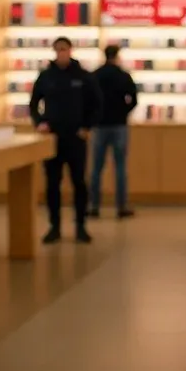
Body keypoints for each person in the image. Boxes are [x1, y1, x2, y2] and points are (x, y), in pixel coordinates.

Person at [29, 37, 100, 244]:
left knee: (79, 182)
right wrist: (40, 122)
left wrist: (87, 127)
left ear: (70, 50)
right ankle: (54, 226)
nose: (61, 53)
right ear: (54, 51)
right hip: (52, 138)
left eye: (64, 49)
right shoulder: (46, 77)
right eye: (58, 49)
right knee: (52, 183)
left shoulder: (84, 76)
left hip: (76, 138)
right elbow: (34, 104)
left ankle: (80, 226)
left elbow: (96, 104)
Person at [89, 44, 138, 219]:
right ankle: (121, 207)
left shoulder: (95, 75)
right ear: (117, 56)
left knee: (96, 168)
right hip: (119, 125)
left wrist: (94, 115)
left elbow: (88, 98)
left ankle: (94, 206)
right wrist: (124, 111)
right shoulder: (123, 76)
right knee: (120, 167)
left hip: (99, 125)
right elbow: (133, 99)